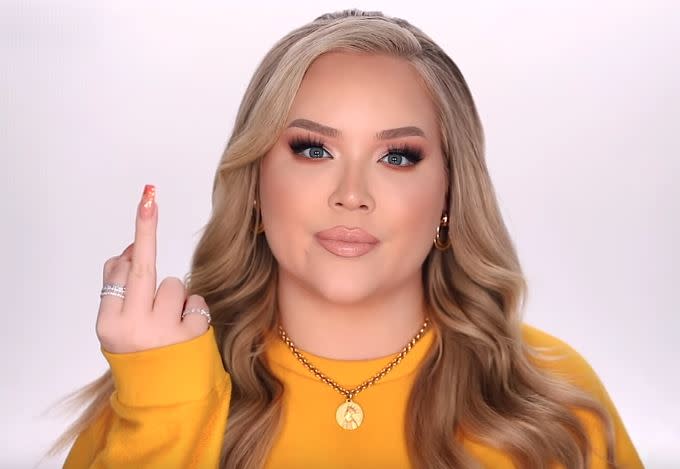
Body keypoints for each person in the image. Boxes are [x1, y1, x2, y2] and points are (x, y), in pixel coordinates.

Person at [45, 9, 643, 469]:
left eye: (397, 156)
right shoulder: (164, 380)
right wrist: (163, 401)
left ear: (450, 196)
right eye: (314, 150)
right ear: (255, 184)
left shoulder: (554, 398)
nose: (352, 194)